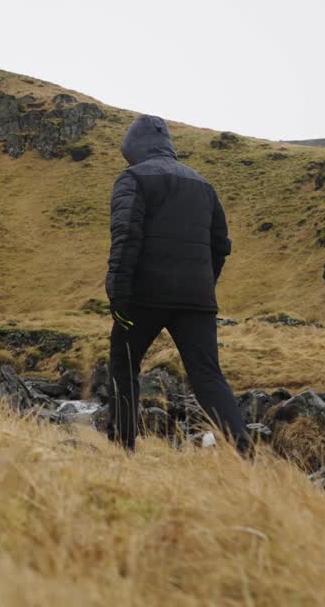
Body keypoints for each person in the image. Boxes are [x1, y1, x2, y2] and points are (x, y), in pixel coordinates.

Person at [105, 114, 249, 452]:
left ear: (133, 148)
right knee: (208, 377)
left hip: (145, 297)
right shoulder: (204, 185)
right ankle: (245, 455)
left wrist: (118, 296)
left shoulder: (133, 178)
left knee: (123, 364)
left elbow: (125, 239)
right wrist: (202, 284)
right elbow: (220, 246)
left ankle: (122, 450)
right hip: (196, 301)